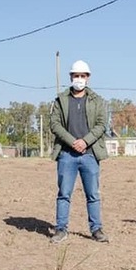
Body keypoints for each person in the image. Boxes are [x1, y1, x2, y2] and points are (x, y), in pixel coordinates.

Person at [49, 60, 109, 244]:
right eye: (76, 76)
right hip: (67, 155)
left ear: (88, 78)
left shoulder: (98, 101)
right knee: (64, 193)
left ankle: (96, 229)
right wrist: (72, 141)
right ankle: (61, 229)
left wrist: (85, 141)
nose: (79, 79)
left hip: (90, 155)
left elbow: (101, 125)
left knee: (93, 195)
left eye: (83, 76)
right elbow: (55, 124)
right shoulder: (61, 100)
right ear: (71, 77)